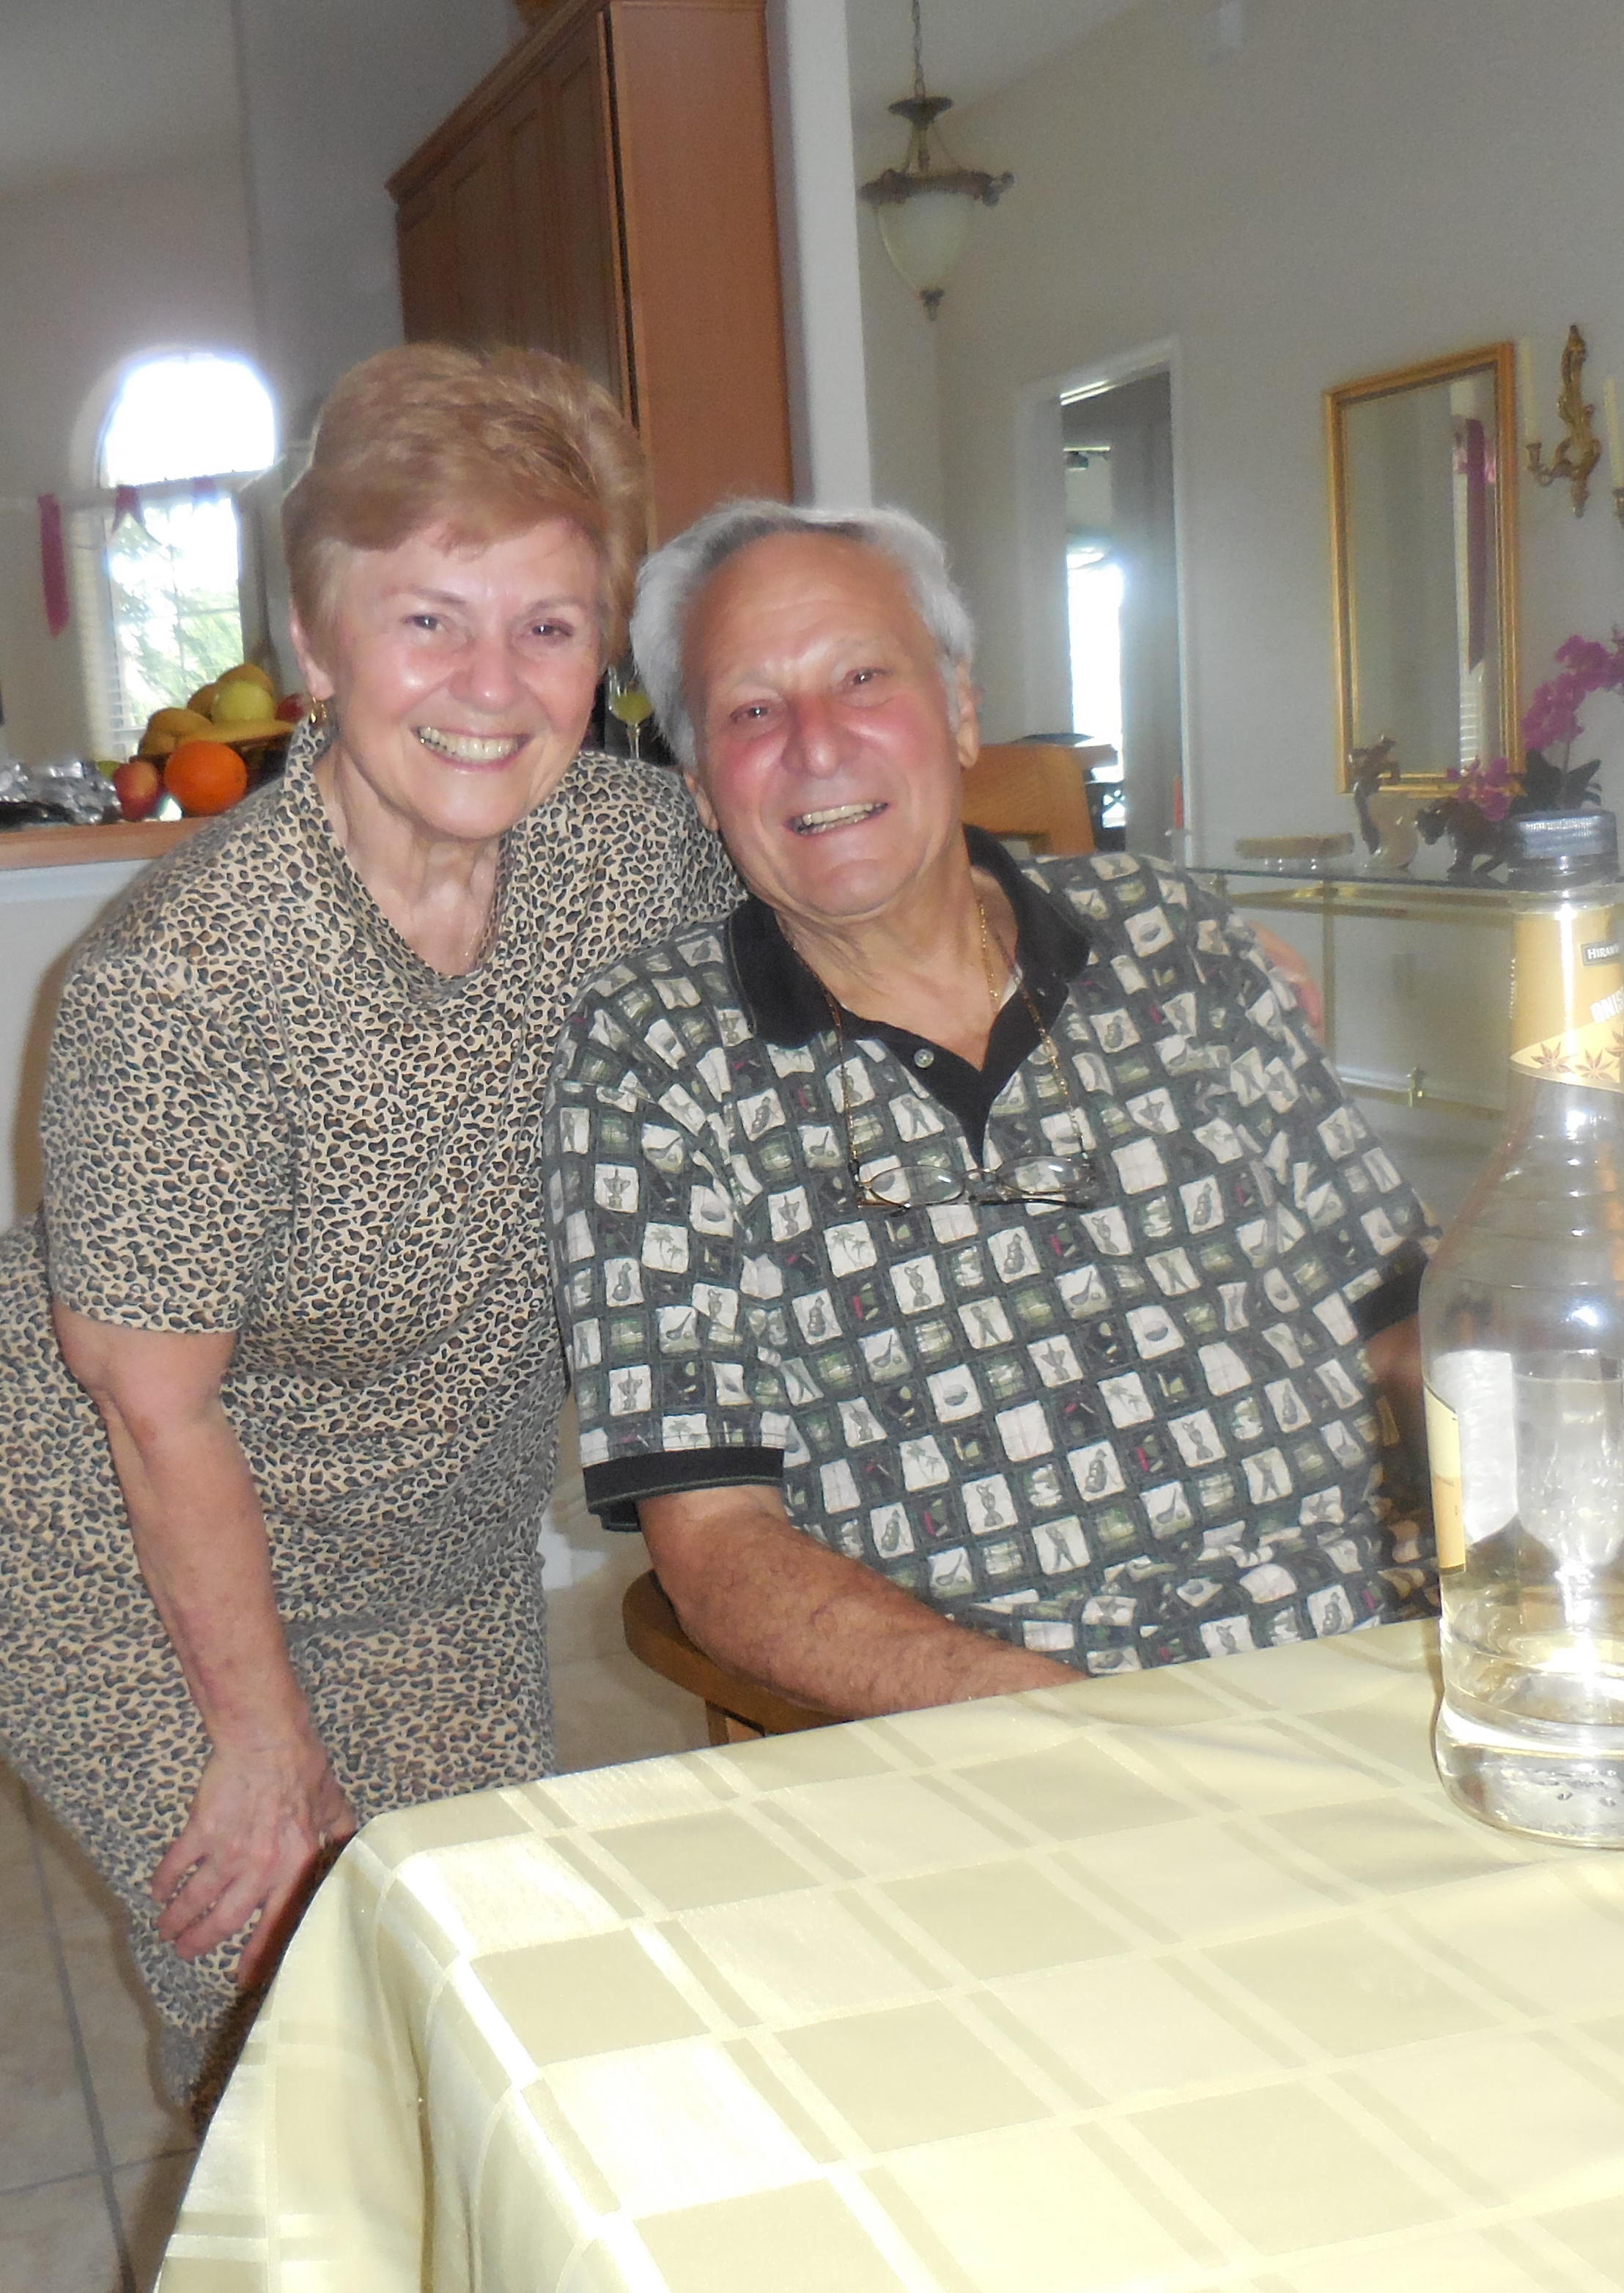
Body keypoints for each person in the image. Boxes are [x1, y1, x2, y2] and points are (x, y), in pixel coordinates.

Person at [0, 342, 734, 2105]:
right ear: (316, 645)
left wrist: (1097, 950)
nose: (491, 684)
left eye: (547, 625)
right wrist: (264, 1745)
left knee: (477, 1984)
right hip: (110, 1537)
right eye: (427, 619)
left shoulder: (629, 853)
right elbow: (153, 1411)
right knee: (297, 1994)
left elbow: (849, 874)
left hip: (430, 1545)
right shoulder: (183, 982)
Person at [542, 501, 1433, 1717]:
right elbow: (716, 1545)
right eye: (752, 710)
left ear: (960, 710)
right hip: (1004, 1732)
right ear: (700, 786)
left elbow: (1405, 1321)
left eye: (864, 677)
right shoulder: (652, 1055)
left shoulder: (1177, 939)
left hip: (1361, 1669)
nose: (816, 744)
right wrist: (1081, 1726)